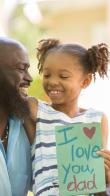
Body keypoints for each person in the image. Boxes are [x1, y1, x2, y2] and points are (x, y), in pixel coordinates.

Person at [24, 38, 110, 195]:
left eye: (63, 76)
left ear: (85, 81)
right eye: (47, 75)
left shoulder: (97, 119)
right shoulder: (36, 110)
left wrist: (107, 168)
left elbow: (102, 180)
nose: (53, 82)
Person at [0, 37, 32, 196]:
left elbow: (56, 180)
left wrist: (104, 180)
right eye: (21, 69)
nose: (30, 78)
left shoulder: (29, 127)